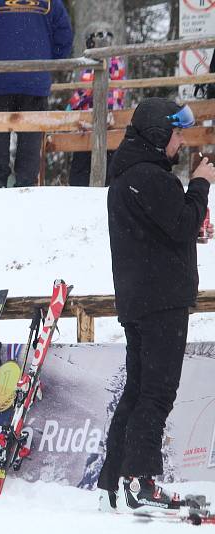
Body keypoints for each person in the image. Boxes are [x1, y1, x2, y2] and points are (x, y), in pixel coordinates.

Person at [99, 98, 215, 513]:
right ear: (156, 134)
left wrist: (189, 228)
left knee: (138, 389)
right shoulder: (153, 178)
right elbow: (181, 221)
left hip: (138, 298)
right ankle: (140, 481)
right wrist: (201, 184)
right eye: (176, 133)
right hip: (162, 300)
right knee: (158, 394)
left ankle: (113, 479)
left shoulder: (128, 176)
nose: (181, 141)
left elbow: (164, 230)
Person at [0, 0, 73, 188]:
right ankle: (25, 182)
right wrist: (48, 62)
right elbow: (64, 36)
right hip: (34, 79)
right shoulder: (51, 2)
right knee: (30, 133)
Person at [68, 26, 125, 186]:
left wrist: (72, 106)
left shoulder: (97, 61)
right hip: (112, 118)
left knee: (82, 166)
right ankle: (106, 190)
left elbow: (86, 89)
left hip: (94, 119)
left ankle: (79, 193)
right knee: (109, 162)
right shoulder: (118, 61)